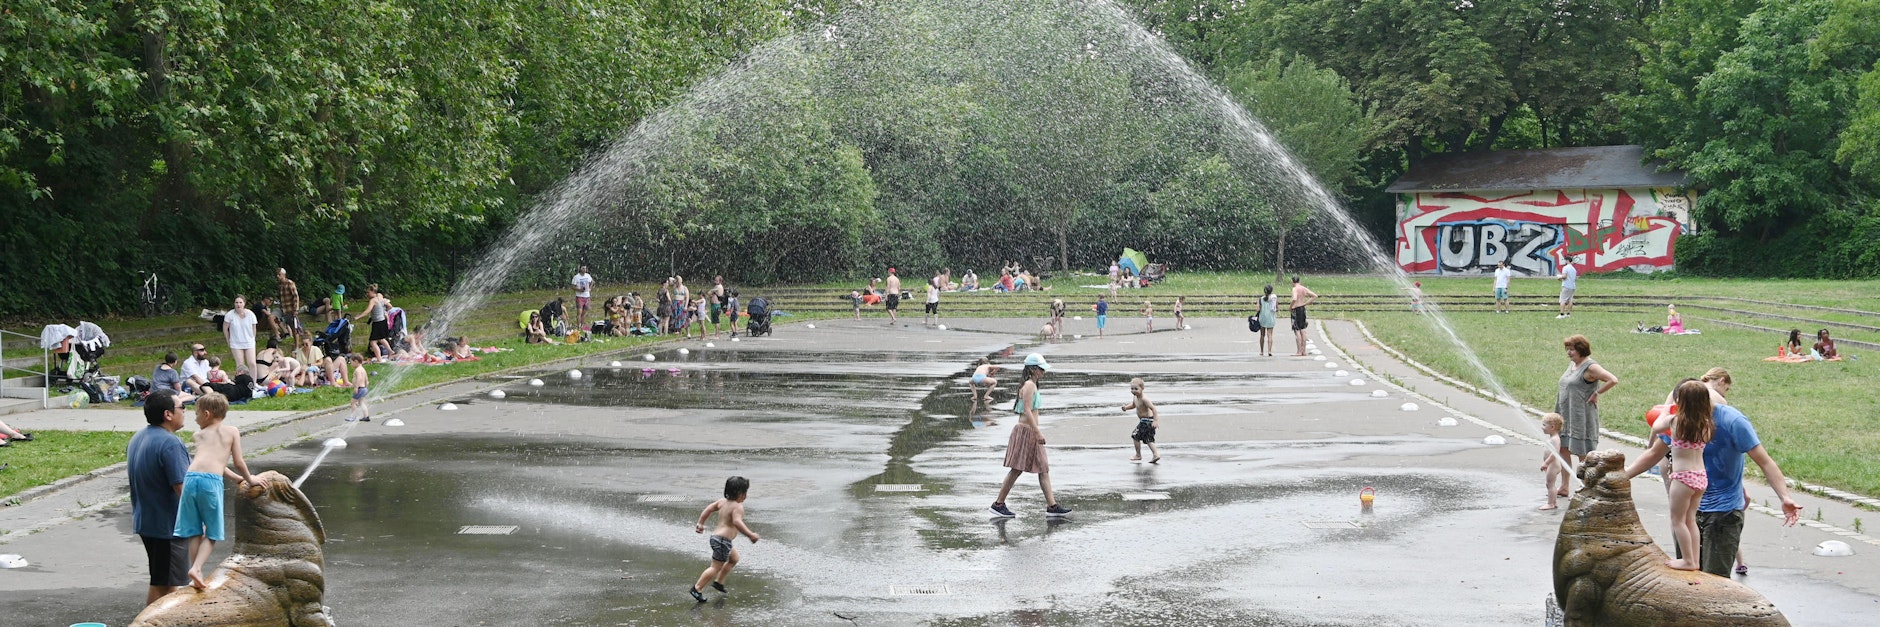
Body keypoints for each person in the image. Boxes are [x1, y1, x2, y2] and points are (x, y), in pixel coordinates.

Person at [1623, 383, 1803, 578]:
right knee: (1688, 579)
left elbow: (1765, 461)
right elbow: (1654, 453)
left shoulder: (1729, 421)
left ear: (1681, 402)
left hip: (1723, 511)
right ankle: (1689, 565)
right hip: (1699, 491)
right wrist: (1624, 476)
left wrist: (1784, 496)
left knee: (1715, 580)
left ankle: (1692, 566)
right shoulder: (1703, 425)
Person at [1630, 381, 1715, 570]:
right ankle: (1694, 560)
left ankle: (1687, 560)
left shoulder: (1676, 421)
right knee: (1690, 519)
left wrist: (1666, 409)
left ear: (1682, 402)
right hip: (1700, 477)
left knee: (1677, 520)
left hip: (1683, 478)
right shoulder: (1707, 425)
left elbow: (1657, 425)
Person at [174, 392, 255, 589]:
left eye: (197, 414)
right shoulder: (231, 431)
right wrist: (249, 479)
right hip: (211, 483)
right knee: (212, 532)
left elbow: (212, 459)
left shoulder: (199, 435)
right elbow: (237, 461)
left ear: (207, 414)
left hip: (191, 479)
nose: (195, 418)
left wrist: (236, 479)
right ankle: (197, 568)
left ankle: (195, 570)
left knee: (194, 530)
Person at [129, 390, 193, 604]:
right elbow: (182, 487)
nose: (185, 412)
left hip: (148, 521)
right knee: (162, 585)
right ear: (168, 414)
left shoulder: (139, 436)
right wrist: (197, 519)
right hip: (167, 526)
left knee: (168, 581)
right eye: (181, 408)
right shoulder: (170, 443)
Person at [990, 353, 1070, 519]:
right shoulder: (1029, 385)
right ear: (1033, 369)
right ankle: (998, 504)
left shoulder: (1032, 384)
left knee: (1042, 468)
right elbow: (1027, 410)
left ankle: (1052, 506)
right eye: (1041, 369)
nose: (1043, 372)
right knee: (1018, 469)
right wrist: (1037, 432)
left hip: (1029, 430)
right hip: (1026, 431)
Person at [1554, 334, 1618, 469]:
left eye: (1572, 349)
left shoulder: (1591, 367)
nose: (1568, 352)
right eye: (1567, 349)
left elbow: (1613, 380)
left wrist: (1597, 393)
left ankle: (1587, 485)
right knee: (1563, 449)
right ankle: (1565, 486)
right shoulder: (1573, 364)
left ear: (1581, 349)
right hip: (1566, 414)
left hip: (1580, 416)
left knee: (1583, 454)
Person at [691, 476, 759, 602]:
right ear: (740, 494)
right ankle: (697, 588)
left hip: (718, 538)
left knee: (734, 558)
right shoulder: (737, 507)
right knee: (715, 567)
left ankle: (719, 582)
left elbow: (709, 509)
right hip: (723, 541)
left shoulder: (722, 502)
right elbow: (737, 522)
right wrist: (750, 535)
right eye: (745, 492)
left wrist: (700, 523)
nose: (746, 496)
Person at [1123, 377, 1159, 463]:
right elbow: (1133, 405)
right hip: (1145, 421)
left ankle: (1138, 455)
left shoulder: (1144, 399)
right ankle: (1156, 455)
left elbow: (1153, 409)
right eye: (1132, 389)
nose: (1134, 391)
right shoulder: (1136, 397)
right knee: (1148, 439)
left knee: (1135, 436)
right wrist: (1126, 408)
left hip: (1147, 421)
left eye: (1136, 389)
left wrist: (1156, 421)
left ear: (1142, 388)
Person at [224, 295, 259, 381]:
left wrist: (252, 338)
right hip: (236, 343)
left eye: (240, 302)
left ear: (244, 303)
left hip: (249, 341)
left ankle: (253, 383)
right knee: (240, 365)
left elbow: (254, 328)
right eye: (236, 302)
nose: (238, 305)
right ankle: (242, 383)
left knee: (252, 363)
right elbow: (225, 328)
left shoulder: (251, 314)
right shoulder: (230, 315)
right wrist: (228, 340)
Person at [1538, 413, 1569, 511]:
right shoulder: (1552, 437)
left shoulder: (1555, 439)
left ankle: (1550, 503)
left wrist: (1546, 463)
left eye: (1544, 425)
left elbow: (1555, 453)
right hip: (1552, 465)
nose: (1542, 427)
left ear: (1552, 427)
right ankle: (1554, 502)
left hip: (1553, 465)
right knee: (1549, 484)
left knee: (1550, 484)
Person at [354, 285, 392, 360]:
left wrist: (358, 317)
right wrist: (385, 312)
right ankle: (390, 351)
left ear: (372, 291)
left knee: (373, 342)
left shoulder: (373, 300)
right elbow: (389, 306)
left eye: (368, 292)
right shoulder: (380, 296)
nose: (367, 294)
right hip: (383, 321)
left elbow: (368, 311)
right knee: (381, 339)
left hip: (378, 322)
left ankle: (379, 359)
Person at [1289, 275, 1318, 356]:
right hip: (1302, 309)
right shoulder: (1303, 288)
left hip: (1296, 309)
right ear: (1299, 281)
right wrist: (1306, 303)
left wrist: (1291, 306)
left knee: (1297, 330)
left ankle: (1299, 351)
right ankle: (1304, 351)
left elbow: (1294, 298)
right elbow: (1315, 296)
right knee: (1303, 330)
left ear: (1292, 281)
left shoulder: (1294, 289)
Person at [275, 268, 302, 339]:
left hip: (290, 309)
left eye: (279, 274)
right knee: (275, 318)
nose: (277, 276)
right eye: (277, 275)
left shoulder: (290, 283)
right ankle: (285, 332)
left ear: (284, 275)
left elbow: (295, 296)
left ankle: (297, 346)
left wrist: (296, 309)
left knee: (294, 328)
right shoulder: (279, 286)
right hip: (283, 309)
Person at [346, 353, 370, 422]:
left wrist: (356, 387)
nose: (351, 364)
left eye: (351, 362)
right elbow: (366, 379)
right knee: (362, 403)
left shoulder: (357, 370)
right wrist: (366, 385)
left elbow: (359, 378)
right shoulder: (363, 369)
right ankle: (366, 416)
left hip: (359, 388)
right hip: (364, 388)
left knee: (353, 402)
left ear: (356, 361)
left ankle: (353, 416)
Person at [1257, 285, 1279, 357]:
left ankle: (1261, 351)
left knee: (1262, 335)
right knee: (1270, 335)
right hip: (1271, 318)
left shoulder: (1261, 299)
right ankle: (1269, 351)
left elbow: (1258, 309)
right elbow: (1277, 308)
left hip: (1262, 318)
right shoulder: (1274, 298)